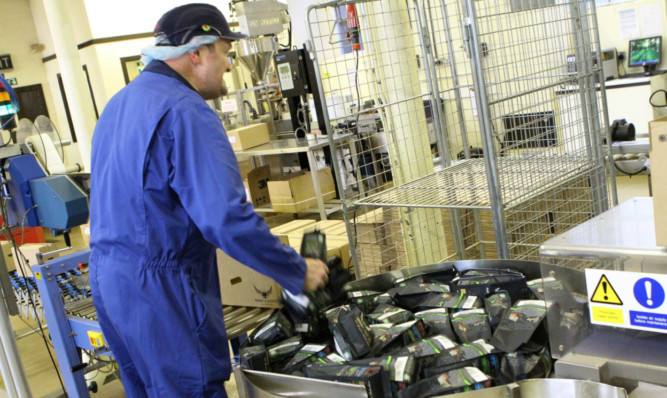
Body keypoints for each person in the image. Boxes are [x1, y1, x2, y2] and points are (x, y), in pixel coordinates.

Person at [88, 4, 329, 397]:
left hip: (111, 284)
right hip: (162, 289)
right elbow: (225, 219)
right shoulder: (187, 112)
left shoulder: (119, 105)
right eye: (225, 52)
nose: (229, 66)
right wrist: (294, 270)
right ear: (197, 52)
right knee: (191, 388)